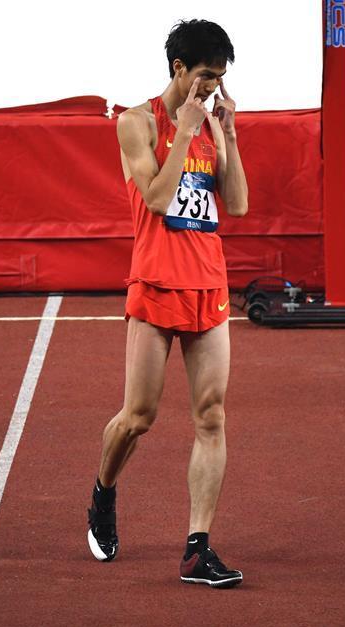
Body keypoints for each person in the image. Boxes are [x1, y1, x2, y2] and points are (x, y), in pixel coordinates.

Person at [86, 19, 249, 589]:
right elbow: (156, 198)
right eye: (206, 78)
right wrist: (183, 131)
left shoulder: (211, 120)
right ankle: (104, 491)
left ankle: (197, 548)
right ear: (179, 69)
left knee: (212, 416)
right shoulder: (134, 123)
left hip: (209, 284)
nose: (211, 90)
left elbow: (239, 204)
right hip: (155, 285)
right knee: (139, 418)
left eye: (220, 81)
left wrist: (226, 134)